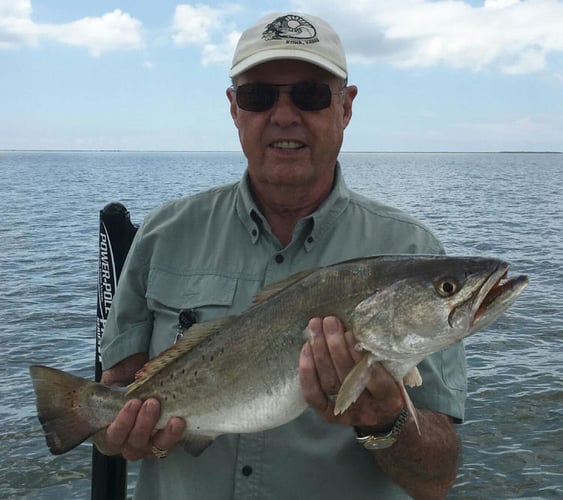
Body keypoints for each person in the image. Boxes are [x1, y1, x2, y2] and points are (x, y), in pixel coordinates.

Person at [98, 12, 466, 499]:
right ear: (234, 108)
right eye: (259, 95)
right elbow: (111, 402)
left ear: (346, 108)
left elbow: (436, 479)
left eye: (311, 94)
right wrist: (125, 431)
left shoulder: (413, 250)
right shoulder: (163, 234)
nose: (285, 115)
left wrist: (387, 422)